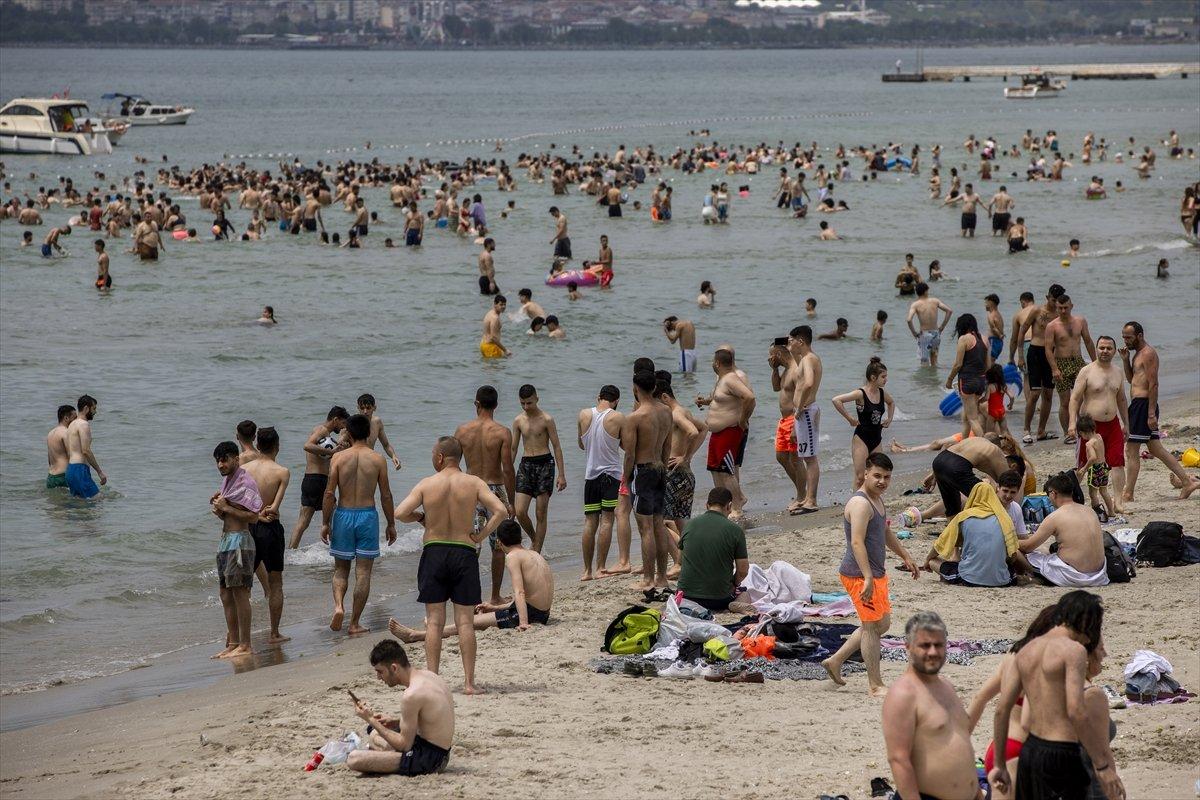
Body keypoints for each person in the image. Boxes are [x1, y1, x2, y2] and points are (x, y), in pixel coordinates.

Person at [393, 436, 508, 695]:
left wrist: (421, 516)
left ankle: (432, 681)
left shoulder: (427, 483)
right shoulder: (473, 482)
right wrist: (480, 536)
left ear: (440, 457)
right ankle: (469, 683)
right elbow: (501, 510)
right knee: (465, 622)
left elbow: (400, 513)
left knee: (434, 622)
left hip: (434, 552)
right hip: (464, 552)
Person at [989, 591, 1124, 800]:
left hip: (1030, 751)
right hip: (1062, 752)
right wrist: (1103, 766)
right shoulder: (1073, 650)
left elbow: (1001, 710)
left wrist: (999, 764)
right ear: (1086, 621)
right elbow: (1076, 711)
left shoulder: (1026, 650)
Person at [822, 453, 919, 696]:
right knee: (871, 627)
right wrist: (866, 577)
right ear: (865, 474)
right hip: (858, 574)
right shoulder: (860, 503)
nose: (882, 481)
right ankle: (875, 685)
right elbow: (856, 542)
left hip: (875, 573)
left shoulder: (877, 499)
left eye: (886, 477)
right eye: (877, 476)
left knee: (882, 624)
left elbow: (884, 533)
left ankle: (835, 661)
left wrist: (905, 556)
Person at [389, 519, 554, 642]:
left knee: (468, 623)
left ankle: (416, 635)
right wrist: (494, 607)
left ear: (499, 542)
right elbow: (532, 597)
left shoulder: (512, 556)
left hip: (530, 616)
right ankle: (434, 627)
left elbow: (520, 592)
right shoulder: (534, 554)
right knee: (475, 619)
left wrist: (523, 622)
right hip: (542, 613)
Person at [882, 612, 981, 800]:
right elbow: (898, 760)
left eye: (939, 645)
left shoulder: (946, 686)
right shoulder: (903, 694)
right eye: (925, 645)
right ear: (909, 647)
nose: (933, 652)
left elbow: (962, 743)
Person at [968, 606, 1059, 800]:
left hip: (999, 749)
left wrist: (960, 741)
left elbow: (980, 698)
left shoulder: (1014, 653)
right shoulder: (1046, 661)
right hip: (1023, 752)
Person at [321, 413, 396, 633]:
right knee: (363, 573)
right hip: (367, 516)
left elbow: (328, 494)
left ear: (349, 433)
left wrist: (325, 522)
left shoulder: (338, 458)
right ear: (369, 433)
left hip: (343, 514)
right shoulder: (378, 459)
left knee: (340, 570)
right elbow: (386, 495)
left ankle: (338, 606)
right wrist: (391, 523)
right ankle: (354, 623)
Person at [345, 639, 454, 776]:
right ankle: (384, 754)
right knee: (374, 734)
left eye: (380, 672)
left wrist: (370, 719)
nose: (378, 678)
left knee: (354, 759)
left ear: (394, 668)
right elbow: (432, 719)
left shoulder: (411, 694)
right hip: (440, 750)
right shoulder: (430, 676)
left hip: (430, 759)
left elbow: (404, 745)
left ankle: (385, 757)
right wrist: (395, 722)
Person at [1119, 321, 1200, 500]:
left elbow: (1153, 384)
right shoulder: (1137, 354)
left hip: (1143, 405)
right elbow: (1132, 379)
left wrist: (1150, 413)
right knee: (1155, 448)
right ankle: (1187, 482)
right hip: (1139, 405)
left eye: (1129, 337)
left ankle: (1128, 493)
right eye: (1123, 337)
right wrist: (1125, 361)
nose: (1125, 341)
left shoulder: (1148, 354)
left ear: (1139, 335)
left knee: (1131, 450)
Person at [455, 385, 516, 605]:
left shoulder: (462, 431)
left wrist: (461, 484)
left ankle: (470, 598)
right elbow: (508, 470)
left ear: (476, 404)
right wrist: (511, 502)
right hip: (495, 490)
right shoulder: (502, 432)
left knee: (472, 545)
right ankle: (495, 596)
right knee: (498, 547)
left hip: (471, 488)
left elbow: (449, 464)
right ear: (496, 405)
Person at [210, 441, 263, 659]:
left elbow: (253, 516)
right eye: (217, 461)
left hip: (240, 541)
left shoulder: (245, 481)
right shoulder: (227, 483)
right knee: (225, 594)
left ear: (236, 459)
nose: (220, 465)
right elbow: (230, 512)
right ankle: (233, 643)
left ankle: (246, 644)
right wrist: (221, 510)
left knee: (240, 593)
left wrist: (226, 508)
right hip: (226, 541)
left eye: (224, 460)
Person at [624, 370, 673, 593]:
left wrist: (625, 477)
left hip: (642, 471)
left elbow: (630, 454)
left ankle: (648, 579)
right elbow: (667, 446)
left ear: (636, 389)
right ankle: (662, 577)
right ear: (654, 388)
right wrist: (663, 468)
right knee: (658, 524)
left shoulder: (635, 417)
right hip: (660, 469)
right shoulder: (665, 411)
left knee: (645, 529)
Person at [242, 426, 290, 644]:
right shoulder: (282, 472)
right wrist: (267, 511)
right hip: (270, 529)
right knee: (275, 582)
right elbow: (274, 506)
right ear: (277, 446)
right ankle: (274, 633)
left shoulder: (244, 469)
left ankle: (235, 636)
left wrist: (254, 515)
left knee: (242, 585)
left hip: (248, 526)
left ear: (258, 444)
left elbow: (241, 500)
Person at [1018, 473, 1109, 588]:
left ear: (1053, 494)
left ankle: (1036, 577)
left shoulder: (1055, 517)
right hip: (1099, 575)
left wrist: (1010, 539)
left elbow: (1027, 547)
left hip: (1072, 575)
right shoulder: (1090, 511)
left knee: (1019, 552)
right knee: (1046, 550)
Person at [924, 482, 1021, 587]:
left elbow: (939, 546)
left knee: (933, 561)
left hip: (969, 578)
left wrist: (927, 559)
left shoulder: (963, 517)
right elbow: (1013, 555)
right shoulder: (1005, 519)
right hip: (1002, 580)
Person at [511, 384, 567, 552]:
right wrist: (506, 470)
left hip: (545, 464)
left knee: (540, 513)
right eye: (523, 403)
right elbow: (513, 448)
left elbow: (557, 446)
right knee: (520, 511)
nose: (526, 407)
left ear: (536, 399)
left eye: (529, 403)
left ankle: (537, 551)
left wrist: (561, 475)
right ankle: (535, 538)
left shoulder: (547, 419)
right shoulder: (518, 420)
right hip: (526, 465)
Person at [578, 385, 626, 580]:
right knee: (607, 521)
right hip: (611, 475)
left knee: (590, 522)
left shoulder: (583, 414)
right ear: (615, 401)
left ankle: (586, 571)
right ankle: (600, 568)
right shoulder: (618, 417)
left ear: (599, 397)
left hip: (590, 476)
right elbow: (625, 445)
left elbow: (581, 444)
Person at [703, 349, 756, 521]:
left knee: (727, 471)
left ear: (717, 363)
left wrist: (743, 420)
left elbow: (749, 397)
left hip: (729, 431)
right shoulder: (722, 379)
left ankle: (738, 504)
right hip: (717, 433)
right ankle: (722, 505)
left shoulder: (731, 379)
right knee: (715, 468)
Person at [677, 488, 748, 611]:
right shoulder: (735, 530)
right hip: (719, 599)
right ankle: (736, 604)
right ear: (729, 506)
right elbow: (743, 570)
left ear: (707, 505)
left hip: (686, 597)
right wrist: (734, 584)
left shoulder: (689, 525)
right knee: (745, 593)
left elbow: (680, 561)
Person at [290, 406, 349, 549]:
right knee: (334, 514)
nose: (343, 427)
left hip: (311, 479)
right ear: (335, 419)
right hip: (317, 480)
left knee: (304, 521)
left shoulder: (326, 436)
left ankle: (290, 552)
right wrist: (333, 451)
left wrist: (338, 449)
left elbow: (325, 455)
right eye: (342, 423)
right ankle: (336, 549)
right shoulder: (322, 430)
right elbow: (307, 445)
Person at [831, 357, 894, 489]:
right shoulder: (860, 393)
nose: (886, 379)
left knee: (878, 473)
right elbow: (836, 400)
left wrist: (889, 418)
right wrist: (850, 419)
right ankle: (855, 505)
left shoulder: (882, 393)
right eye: (883, 377)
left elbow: (891, 402)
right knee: (860, 477)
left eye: (886, 376)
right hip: (861, 438)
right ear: (873, 377)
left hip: (877, 439)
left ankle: (872, 501)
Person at [1015, 284, 1064, 442]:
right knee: (1034, 393)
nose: (1054, 303)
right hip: (1035, 352)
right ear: (1047, 297)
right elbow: (1023, 330)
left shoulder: (1061, 314)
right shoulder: (1037, 310)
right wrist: (1020, 355)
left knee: (1048, 394)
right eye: (1052, 299)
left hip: (1052, 356)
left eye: (1057, 300)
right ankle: (1026, 429)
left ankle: (1041, 431)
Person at [1044, 294, 1096, 444]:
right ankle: (1068, 432)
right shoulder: (1052, 326)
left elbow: (1088, 342)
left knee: (1083, 398)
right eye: (1060, 308)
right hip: (1061, 363)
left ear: (1071, 306)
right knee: (1065, 401)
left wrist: (1095, 363)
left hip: (1078, 362)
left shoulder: (1080, 321)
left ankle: (1084, 429)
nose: (1063, 310)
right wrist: (1054, 369)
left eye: (1066, 307)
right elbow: (1048, 349)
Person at [659, 382, 706, 548]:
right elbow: (704, 428)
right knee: (681, 520)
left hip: (674, 474)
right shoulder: (684, 411)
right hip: (686, 475)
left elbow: (693, 432)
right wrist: (688, 456)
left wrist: (685, 457)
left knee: (662, 521)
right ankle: (690, 554)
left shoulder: (675, 414)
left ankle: (682, 558)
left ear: (665, 397)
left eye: (658, 401)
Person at [930, 434, 1010, 517]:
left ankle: (952, 528)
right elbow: (1007, 480)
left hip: (939, 461)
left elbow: (948, 449)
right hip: (956, 467)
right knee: (987, 498)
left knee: (952, 506)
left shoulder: (974, 440)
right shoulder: (996, 450)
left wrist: (934, 474)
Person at [787, 326, 822, 513]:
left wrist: (800, 407)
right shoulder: (804, 359)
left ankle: (812, 500)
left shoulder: (809, 359)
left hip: (806, 411)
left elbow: (808, 383)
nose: (789, 343)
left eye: (791, 339)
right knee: (806, 455)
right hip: (803, 412)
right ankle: (807, 498)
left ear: (800, 341)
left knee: (810, 458)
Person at [946, 313, 991, 438]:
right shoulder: (984, 339)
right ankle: (964, 444)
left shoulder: (964, 339)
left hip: (967, 381)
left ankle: (985, 445)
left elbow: (958, 364)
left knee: (973, 419)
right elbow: (988, 365)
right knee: (966, 416)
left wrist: (949, 380)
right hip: (981, 381)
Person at [1074, 415, 1116, 519]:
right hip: (1104, 467)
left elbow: (1093, 458)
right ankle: (1111, 512)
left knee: (1092, 493)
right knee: (1104, 491)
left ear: (1081, 433)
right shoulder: (1099, 437)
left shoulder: (1089, 444)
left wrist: (1084, 468)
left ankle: (1098, 513)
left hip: (1095, 469)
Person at [65, 394, 106, 498]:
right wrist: (100, 472)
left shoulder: (72, 425)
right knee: (98, 500)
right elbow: (86, 450)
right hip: (80, 470)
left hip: (70, 470)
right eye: (94, 408)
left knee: (78, 507)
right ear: (86, 408)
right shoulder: (83, 425)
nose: (95, 412)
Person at [906, 283, 952, 367]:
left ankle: (926, 380)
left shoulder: (915, 304)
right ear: (926, 291)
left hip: (924, 335)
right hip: (936, 333)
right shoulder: (935, 301)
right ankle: (934, 380)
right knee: (934, 362)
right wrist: (942, 327)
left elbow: (909, 320)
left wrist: (914, 333)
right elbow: (949, 311)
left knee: (924, 363)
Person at [356, 393, 402, 471]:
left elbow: (386, 445)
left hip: (369, 462)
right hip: (355, 463)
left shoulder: (377, 422)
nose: (365, 411)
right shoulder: (352, 423)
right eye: (362, 408)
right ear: (358, 408)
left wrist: (394, 456)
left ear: (374, 408)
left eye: (368, 408)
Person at [45, 404, 76, 489]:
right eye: (74, 418)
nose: (76, 421)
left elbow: (49, 458)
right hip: (63, 476)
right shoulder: (66, 433)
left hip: (51, 477)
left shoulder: (50, 433)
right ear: (66, 418)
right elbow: (72, 456)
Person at [480, 295, 510, 359]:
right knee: (496, 368)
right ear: (495, 304)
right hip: (491, 347)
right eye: (501, 304)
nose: (503, 307)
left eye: (504, 305)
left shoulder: (490, 313)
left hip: (484, 344)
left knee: (488, 368)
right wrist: (505, 350)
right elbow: (493, 338)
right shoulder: (495, 318)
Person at [984, 294, 1005, 360]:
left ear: (991, 303)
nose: (985, 305)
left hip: (994, 341)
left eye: (986, 303)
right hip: (999, 342)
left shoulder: (991, 315)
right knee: (991, 362)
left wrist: (1000, 335)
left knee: (989, 363)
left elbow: (993, 328)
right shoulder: (998, 314)